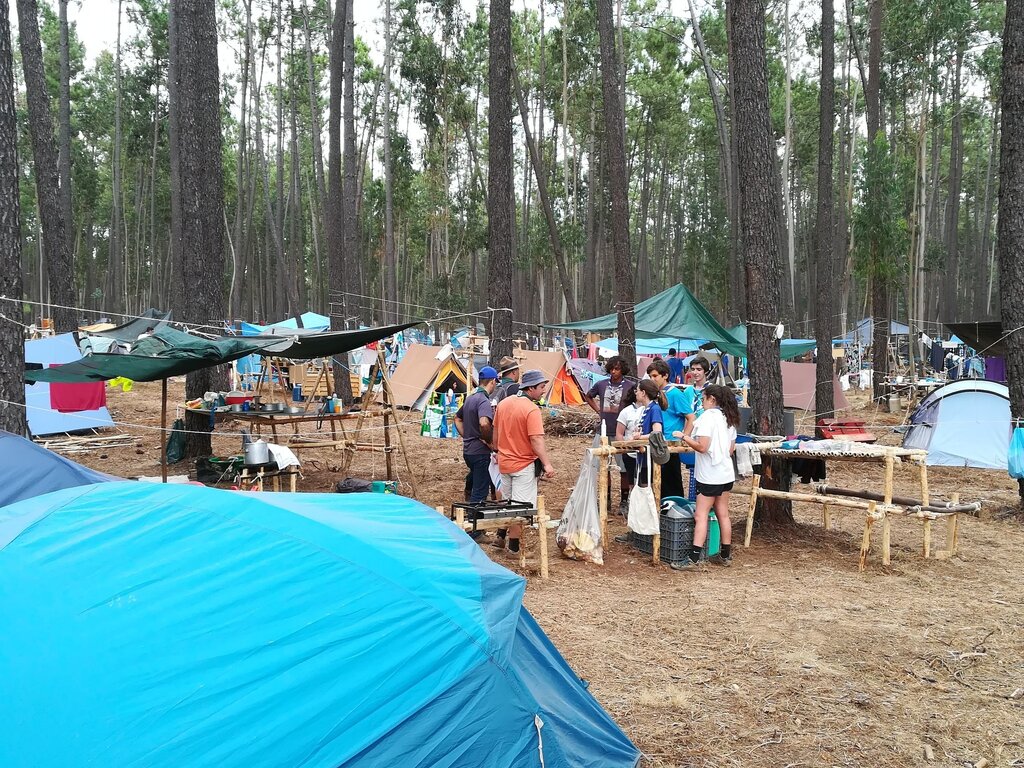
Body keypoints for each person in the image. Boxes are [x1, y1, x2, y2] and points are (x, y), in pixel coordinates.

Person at [671, 384, 739, 571]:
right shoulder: (729, 417)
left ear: (712, 399)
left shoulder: (707, 418)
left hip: (710, 475)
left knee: (700, 515)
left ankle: (693, 557)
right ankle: (725, 554)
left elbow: (702, 446)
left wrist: (684, 437)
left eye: (703, 399)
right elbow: (730, 449)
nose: (701, 402)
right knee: (723, 513)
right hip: (725, 473)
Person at [493, 369, 556, 554]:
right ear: (531, 388)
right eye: (542, 387)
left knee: (507, 502)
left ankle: (500, 536)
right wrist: (547, 463)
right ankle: (514, 550)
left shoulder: (503, 404)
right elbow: (536, 439)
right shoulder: (531, 409)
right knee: (520, 508)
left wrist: (499, 450)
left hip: (504, 462)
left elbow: (495, 435)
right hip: (523, 464)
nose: (544, 391)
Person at [454, 366, 498, 504]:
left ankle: (469, 489)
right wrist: (489, 441)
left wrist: (467, 435)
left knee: (476, 478)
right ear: (492, 382)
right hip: (480, 452)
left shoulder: (470, 398)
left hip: (468, 451)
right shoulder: (483, 401)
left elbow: (457, 418)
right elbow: (484, 423)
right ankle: (474, 521)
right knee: (479, 493)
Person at [646, 359, 687, 499]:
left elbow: (691, 417)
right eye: (650, 376)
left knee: (672, 483)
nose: (652, 379)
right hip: (656, 443)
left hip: (670, 444)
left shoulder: (675, 394)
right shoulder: (654, 395)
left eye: (655, 376)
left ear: (665, 375)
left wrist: (684, 437)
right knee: (657, 482)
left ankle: (676, 511)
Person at [586, 356, 635, 439]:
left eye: (617, 369)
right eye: (611, 369)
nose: (613, 371)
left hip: (623, 431)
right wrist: (598, 410)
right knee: (599, 451)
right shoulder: (601, 384)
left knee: (619, 452)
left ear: (622, 369)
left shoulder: (630, 386)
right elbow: (588, 396)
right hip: (603, 429)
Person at [614, 385, 642, 515]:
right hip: (630, 453)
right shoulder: (626, 411)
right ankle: (632, 506)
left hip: (645, 453)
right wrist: (625, 447)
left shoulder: (650, 409)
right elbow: (619, 433)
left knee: (645, 482)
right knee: (631, 480)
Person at [681, 356, 711, 433]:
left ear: (706, 371)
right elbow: (685, 414)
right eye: (693, 369)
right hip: (690, 430)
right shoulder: (687, 391)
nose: (695, 373)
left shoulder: (712, 390)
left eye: (699, 369)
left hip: (706, 430)